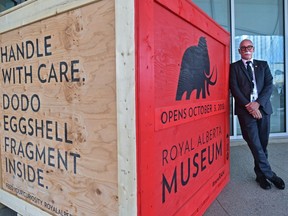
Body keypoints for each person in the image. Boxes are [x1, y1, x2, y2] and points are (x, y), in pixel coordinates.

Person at [229, 39, 285, 190]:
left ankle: (260, 176)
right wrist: (250, 107)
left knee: (262, 144)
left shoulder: (263, 64)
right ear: (239, 51)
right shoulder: (234, 67)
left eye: (250, 47)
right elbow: (234, 89)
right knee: (255, 144)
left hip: (263, 109)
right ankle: (271, 175)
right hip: (245, 111)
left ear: (253, 49)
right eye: (243, 48)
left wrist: (257, 104)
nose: (247, 49)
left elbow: (269, 85)